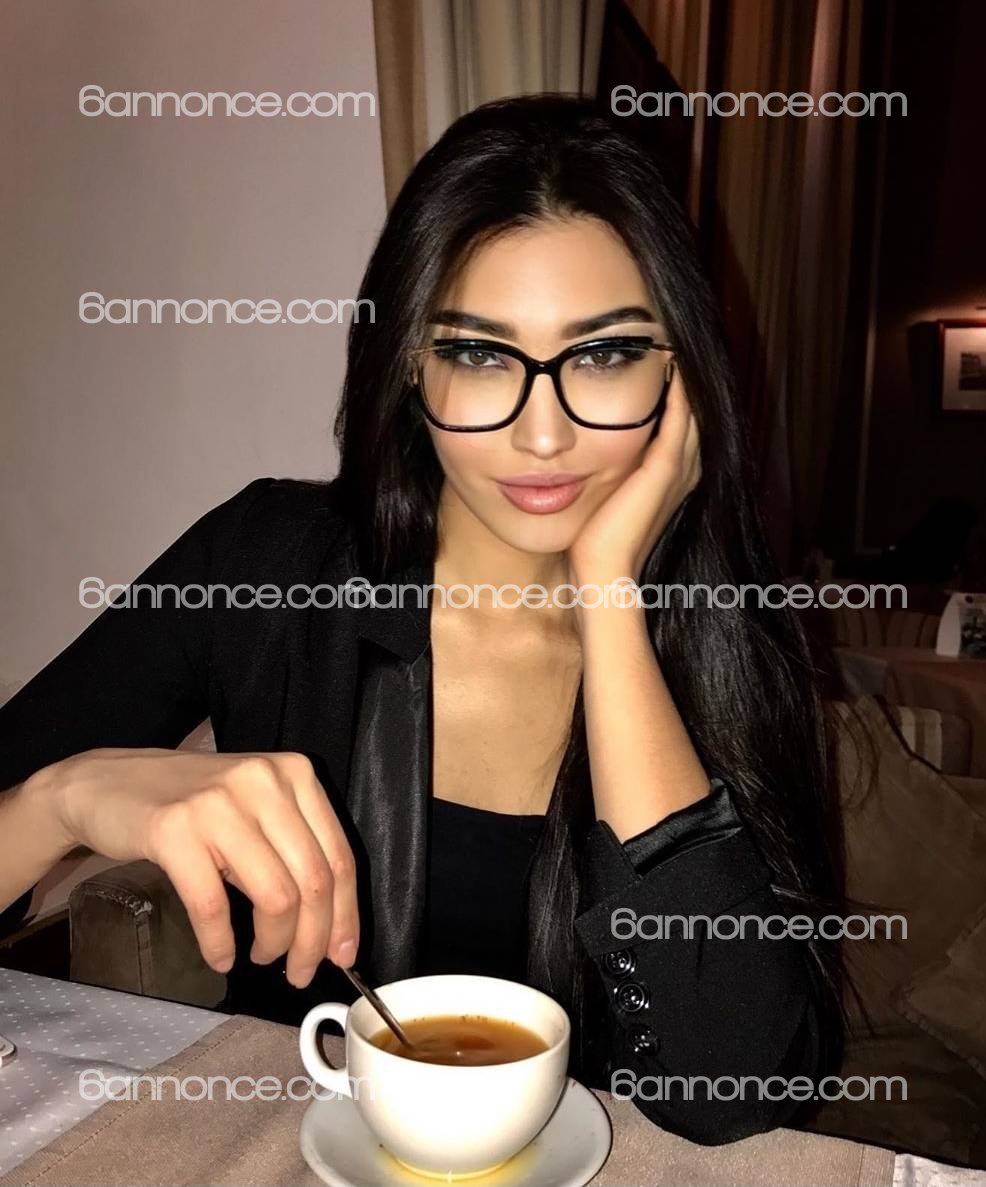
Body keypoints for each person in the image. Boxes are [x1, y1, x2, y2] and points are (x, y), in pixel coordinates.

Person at [0, 95, 844, 1145]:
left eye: (603, 354)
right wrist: (62, 799)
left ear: (679, 377)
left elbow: (738, 1089)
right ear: (411, 360)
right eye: (481, 355)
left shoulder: (727, 631)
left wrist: (609, 597)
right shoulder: (269, 567)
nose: (544, 433)